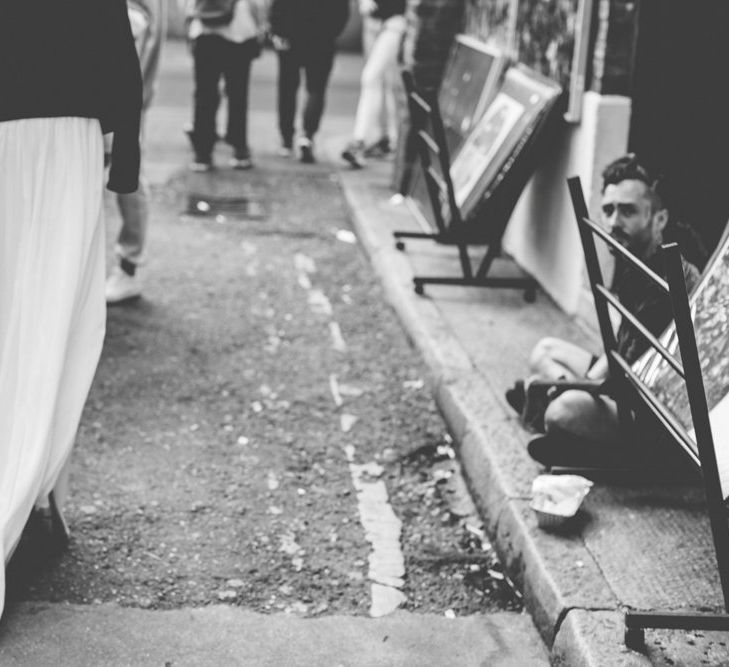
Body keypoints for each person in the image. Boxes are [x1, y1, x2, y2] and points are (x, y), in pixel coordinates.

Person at [0, 0, 142, 618]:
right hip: (69, 130)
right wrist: (126, 160)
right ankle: (26, 479)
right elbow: (114, 42)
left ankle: (26, 479)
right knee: (57, 317)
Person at [505, 154, 702, 468]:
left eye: (628, 211)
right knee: (545, 350)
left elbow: (625, 373)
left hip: (655, 415)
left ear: (660, 219)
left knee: (563, 410)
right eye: (608, 210)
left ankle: (558, 413)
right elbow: (619, 352)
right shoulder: (634, 261)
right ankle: (553, 397)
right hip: (627, 381)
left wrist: (571, 387)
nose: (613, 222)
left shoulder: (665, 280)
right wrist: (576, 381)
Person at [106, 0, 166, 304]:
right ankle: (126, 265)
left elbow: (135, 22)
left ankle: (128, 267)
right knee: (123, 170)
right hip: (122, 89)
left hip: (116, 91)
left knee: (125, 172)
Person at [182, 0, 269, 171]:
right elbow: (258, 4)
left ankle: (203, 154)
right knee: (238, 94)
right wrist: (260, 25)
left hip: (204, 33)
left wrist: (191, 22)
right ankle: (240, 150)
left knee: (204, 95)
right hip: (240, 33)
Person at [269, 0, 350, 163]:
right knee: (316, 89)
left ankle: (286, 140)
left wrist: (277, 30)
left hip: (291, 36)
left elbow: (278, 5)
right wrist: (331, 32)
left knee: (287, 88)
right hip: (322, 39)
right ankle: (307, 136)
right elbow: (342, 11)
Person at [341, 0, 406, 169]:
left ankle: (360, 140)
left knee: (371, 77)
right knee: (385, 82)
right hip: (373, 21)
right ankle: (387, 138)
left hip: (394, 22)